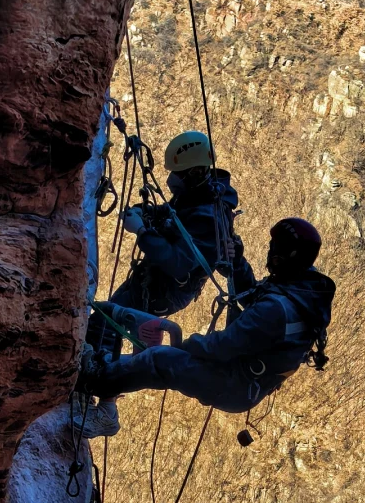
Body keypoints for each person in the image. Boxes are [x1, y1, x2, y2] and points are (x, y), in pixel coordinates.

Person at [80, 129, 256, 436]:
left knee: (105, 324)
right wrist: (145, 213)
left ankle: (102, 401)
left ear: (195, 173)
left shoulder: (210, 217)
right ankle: (92, 380)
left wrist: (143, 233)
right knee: (105, 322)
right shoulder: (197, 194)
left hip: (165, 290)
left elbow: (179, 263)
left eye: (178, 174)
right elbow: (170, 213)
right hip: (151, 281)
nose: (172, 180)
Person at [81, 216, 334, 425]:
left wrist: (181, 347)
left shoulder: (278, 309)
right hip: (244, 378)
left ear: (287, 255)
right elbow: (254, 297)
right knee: (160, 360)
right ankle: (106, 376)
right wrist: (238, 264)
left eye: (274, 247)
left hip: (236, 383)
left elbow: (222, 346)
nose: (270, 252)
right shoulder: (300, 286)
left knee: (160, 361)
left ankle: (94, 381)